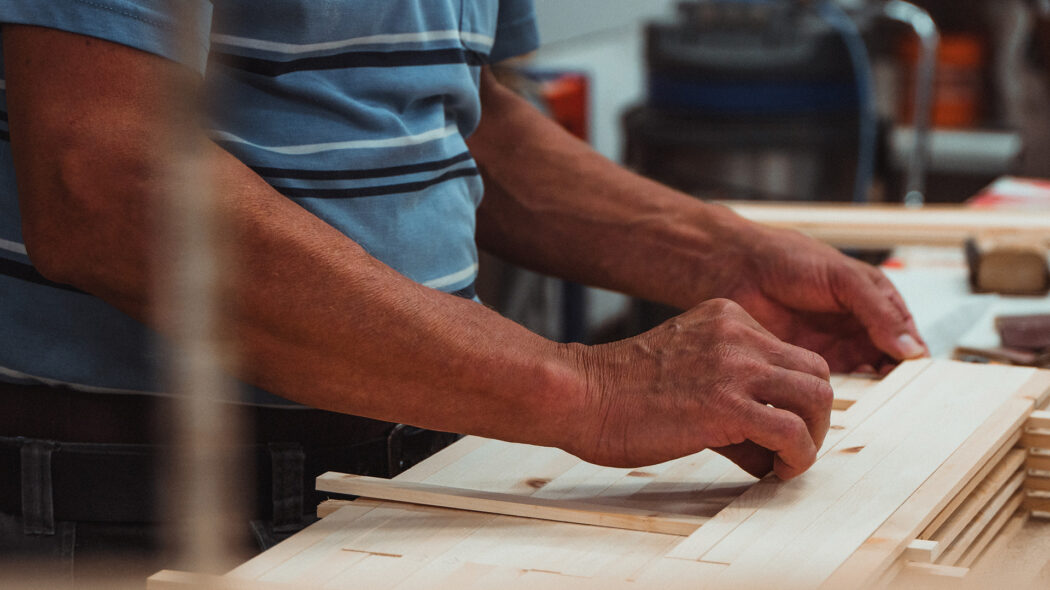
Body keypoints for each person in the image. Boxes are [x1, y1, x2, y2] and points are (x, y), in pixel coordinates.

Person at [0, 0, 926, 568]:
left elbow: (455, 123)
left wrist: (722, 255)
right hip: (147, 484)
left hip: (424, 448)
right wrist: (590, 388)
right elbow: (104, 180)